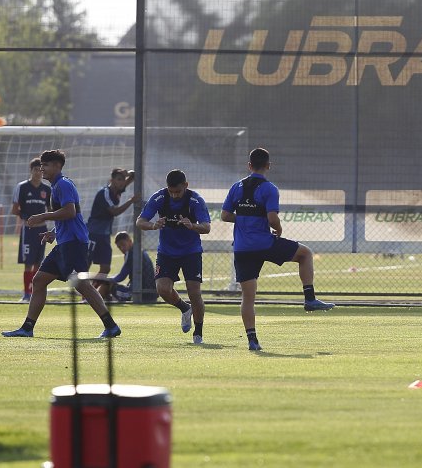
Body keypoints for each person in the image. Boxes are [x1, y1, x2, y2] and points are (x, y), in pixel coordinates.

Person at [221, 148, 334, 351]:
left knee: (248, 297)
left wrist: (245, 218)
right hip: (265, 243)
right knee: (305, 254)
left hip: (242, 248)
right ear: (268, 166)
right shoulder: (269, 188)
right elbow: (273, 219)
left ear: (249, 166)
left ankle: (252, 340)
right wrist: (279, 229)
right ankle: (309, 298)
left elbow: (225, 216)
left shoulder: (236, 187)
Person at [2, 150, 121, 338]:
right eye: (41, 165)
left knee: (82, 286)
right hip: (65, 243)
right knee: (39, 280)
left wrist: (42, 216)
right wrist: (54, 232)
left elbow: (70, 212)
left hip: (74, 244)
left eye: (46, 165)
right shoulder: (57, 185)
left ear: (57, 166)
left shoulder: (63, 185)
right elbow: (67, 217)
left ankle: (111, 325)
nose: (42, 169)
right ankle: (27, 328)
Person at [136, 170, 211, 344]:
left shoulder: (195, 200)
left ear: (186, 185)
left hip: (191, 252)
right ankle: (185, 309)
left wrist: (192, 225)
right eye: (171, 192)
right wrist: (154, 225)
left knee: (194, 293)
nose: (174, 195)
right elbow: (140, 221)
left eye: (177, 191)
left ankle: (198, 332)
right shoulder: (159, 198)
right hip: (167, 252)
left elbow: (206, 227)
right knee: (162, 289)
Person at [12, 157, 51, 302]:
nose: (38, 173)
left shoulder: (47, 189)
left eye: (40, 170)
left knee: (38, 263)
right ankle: (26, 294)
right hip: (28, 230)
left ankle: (36, 293)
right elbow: (14, 209)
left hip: (42, 231)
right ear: (31, 171)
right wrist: (28, 218)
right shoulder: (22, 187)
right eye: (35, 170)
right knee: (28, 263)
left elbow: (51, 209)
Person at [87, 168, 138, 274]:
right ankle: (78, 289)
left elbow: (134, 175)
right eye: (119, 179)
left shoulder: (118, 189)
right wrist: (131, 201)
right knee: (85, 265)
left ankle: (95, 290)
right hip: (93, 233)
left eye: (123, 179)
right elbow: (114, 212)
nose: (122, 182)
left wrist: (127, 173)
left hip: (105, 234)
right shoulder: (104, 193)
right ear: (112, 180)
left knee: (106, 268)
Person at [97, 231, 158, 304]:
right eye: (119, 247)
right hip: (151, 294)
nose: (122, 248)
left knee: (106, 285)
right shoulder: (139, 251)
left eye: (123, 244)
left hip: (139, 294)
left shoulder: (131, 253)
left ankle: (91, 301)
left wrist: (106, 279)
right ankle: (100, 301)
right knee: (110, 290)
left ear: (130, 241)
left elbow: (121, 277)